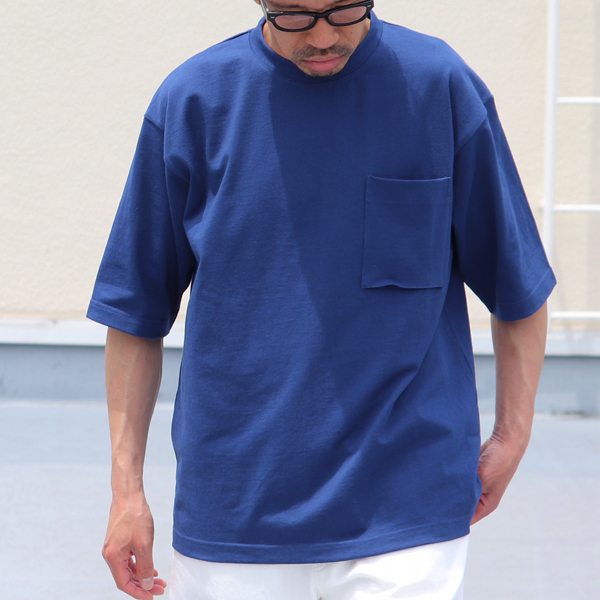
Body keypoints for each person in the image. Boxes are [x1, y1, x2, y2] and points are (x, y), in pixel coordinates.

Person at [88, 1, 556, 598]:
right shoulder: (195, 100)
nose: (323, 35)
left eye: (343, 10)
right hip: (235, 508)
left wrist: (513, 434)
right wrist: (126, 491)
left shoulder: (437, 86)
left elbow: (517, 282)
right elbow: (135, 312)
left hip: (406, 502)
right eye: (295, 17)